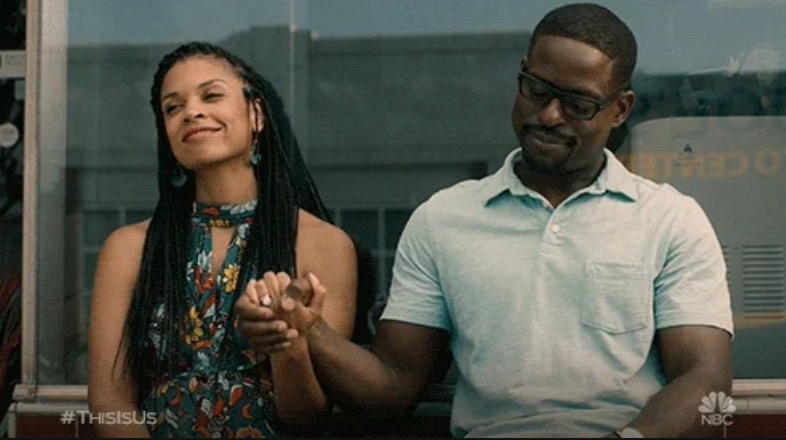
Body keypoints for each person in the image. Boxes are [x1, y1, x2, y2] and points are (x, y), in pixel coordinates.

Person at [237, 3, 735, 438]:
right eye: (537, 91)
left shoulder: (670, 220)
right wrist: (308, 331)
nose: (550, 116)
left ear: (620, 109)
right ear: (521, 75)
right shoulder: (444, 220)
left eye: (578, 104)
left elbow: (708, 385)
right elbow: (390, 389)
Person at [87, 42, 358, 438]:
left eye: (211, 95)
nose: (191, 111)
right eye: (172, 107)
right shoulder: (128, 248)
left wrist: (289, 347)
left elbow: (308, 416)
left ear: (257, 114)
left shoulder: (323, 245)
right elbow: (110, 403)